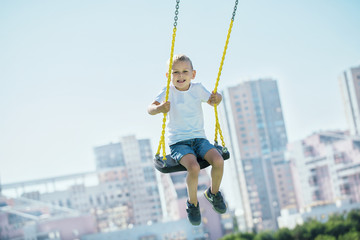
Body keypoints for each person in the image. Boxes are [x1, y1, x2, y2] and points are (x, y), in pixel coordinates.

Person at [147, 54, 227, 225]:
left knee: (219, 161)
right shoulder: (167, 91)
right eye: (175, 72)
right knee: (194, 167)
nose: (180, 76)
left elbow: (214, 101)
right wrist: (159, 108)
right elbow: (150, 108)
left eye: (185, 71)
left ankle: (213, 193)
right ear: (169, 76)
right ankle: (193, 204)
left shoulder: (198, 89)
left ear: (193, 74)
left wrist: (217, 98)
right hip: (179, 143)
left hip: (199, 139)